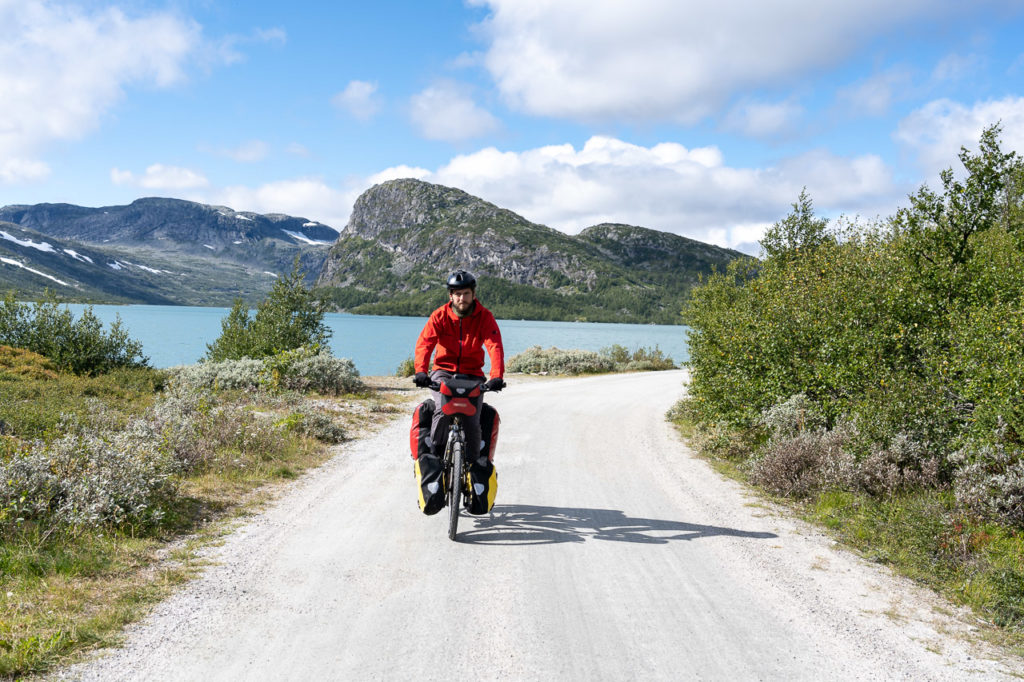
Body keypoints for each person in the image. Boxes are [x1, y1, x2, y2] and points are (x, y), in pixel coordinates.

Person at [413, 270, 505, 470]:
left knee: (473, 417)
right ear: (451, 296)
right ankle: (436, 459)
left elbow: (494, 346)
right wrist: (421, 371)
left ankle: (472, 466)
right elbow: (425, 344)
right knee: (442, 410)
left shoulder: (485, 317)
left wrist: (496, 376)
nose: (462, 298)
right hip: (443, 371)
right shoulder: (439, 316)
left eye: (466, 293)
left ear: (473, 294)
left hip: (473, 374)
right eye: (457, 294)